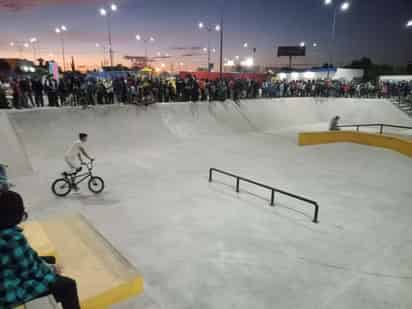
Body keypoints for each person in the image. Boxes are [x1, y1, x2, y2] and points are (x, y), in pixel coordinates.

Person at [0, 191, 81, 309]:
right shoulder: (12, 239)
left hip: (6, 272)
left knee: (49, 259)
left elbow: (27, 258)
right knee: (68, 285)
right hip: (8, 292)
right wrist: (52, 269)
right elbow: (30, 272)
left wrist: (47, 264)